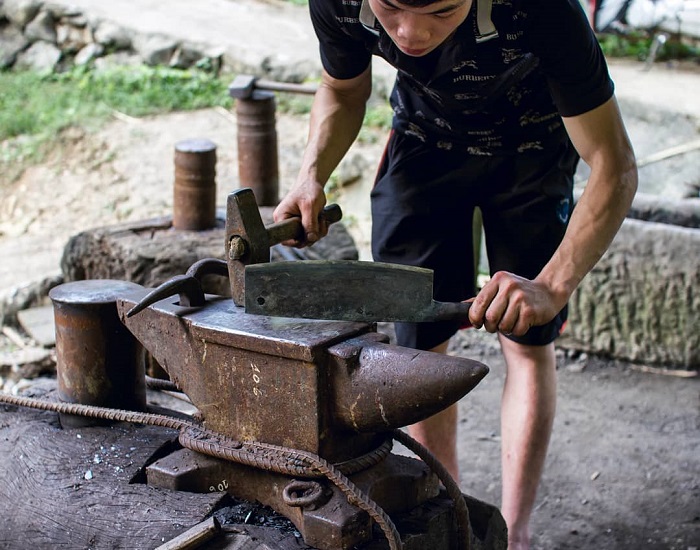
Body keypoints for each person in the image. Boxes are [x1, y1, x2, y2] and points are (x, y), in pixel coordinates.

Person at [273, 0, 638, 547]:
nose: (412, 33)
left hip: (534, 144)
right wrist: (310, 174)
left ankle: (516, 534)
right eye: (391, 7)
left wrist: (551, 286)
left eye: (441, 10)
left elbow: (614, 163)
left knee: (526, 338)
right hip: (425, 139)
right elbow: (344, 89)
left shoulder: (545, 10)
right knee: (418, 340)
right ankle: (448, 519)